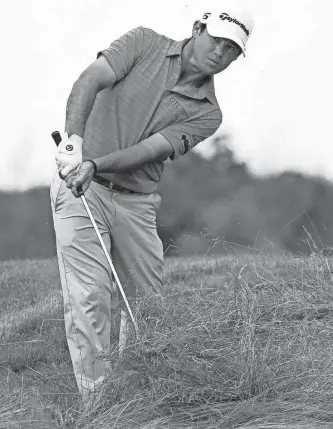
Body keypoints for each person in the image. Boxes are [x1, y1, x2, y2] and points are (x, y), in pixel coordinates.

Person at [50, 3, 255, 401]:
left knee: (148, 306)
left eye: (232, 49)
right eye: (217, 40)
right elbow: (89, 80)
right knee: (89, 296)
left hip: (137, 202)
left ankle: (135, 393)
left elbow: (149, 150)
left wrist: (96, 163)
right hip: (80, 187)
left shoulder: (208, 114)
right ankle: (98, 403)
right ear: (198, 28)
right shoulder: (143, 42)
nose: (220, 53)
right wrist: (74, 145)